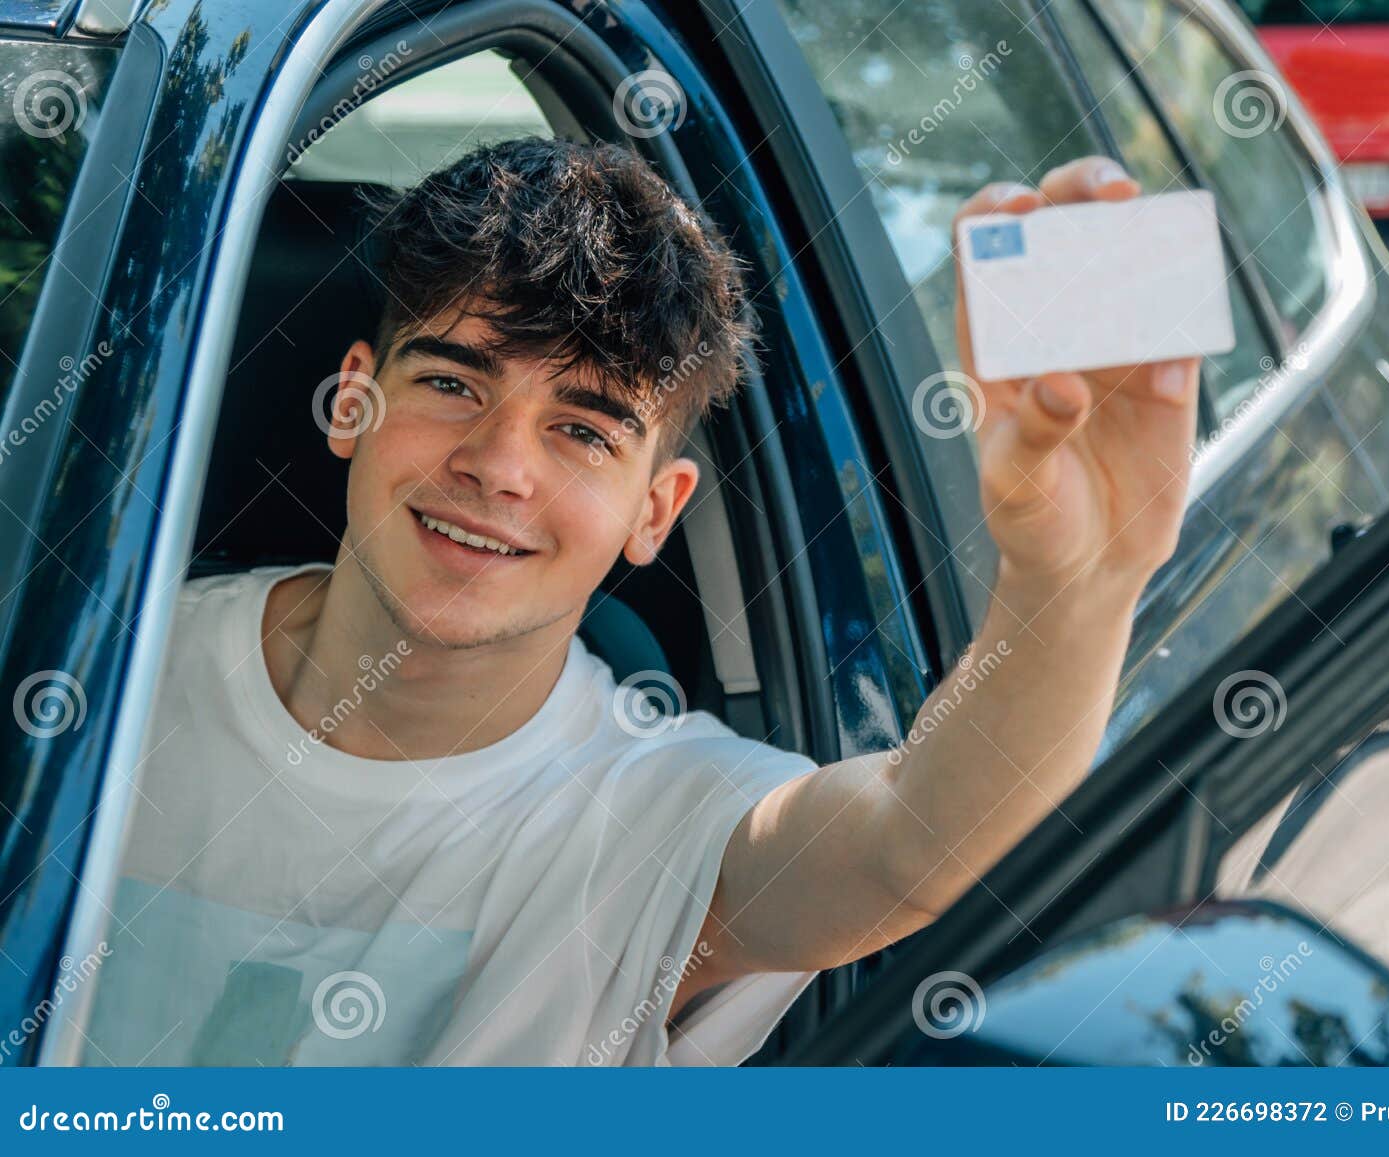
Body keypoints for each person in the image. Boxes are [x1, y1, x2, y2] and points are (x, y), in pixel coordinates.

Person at [81, 137, 1198, 1066]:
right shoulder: (97, 667)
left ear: (654, 510)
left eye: (581, 429)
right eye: (453, 382)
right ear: (354, 399)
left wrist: (1075, 587)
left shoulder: (662, 813)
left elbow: (909, 841)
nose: (498, 466)